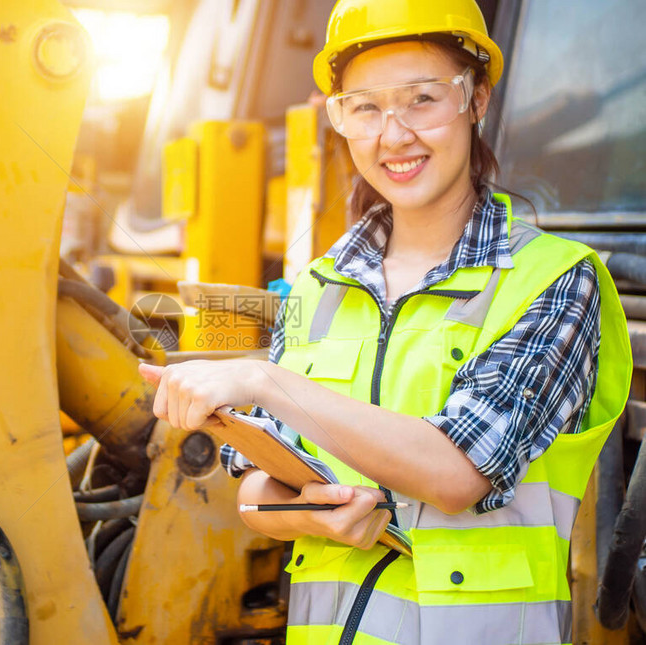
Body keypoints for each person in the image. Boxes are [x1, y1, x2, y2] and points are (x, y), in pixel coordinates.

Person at [139, 0, 632, 643]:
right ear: (339, 119)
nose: (393, 135)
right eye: (365, 107)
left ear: (477, 100)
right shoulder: (320, 287)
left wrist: (262, 382)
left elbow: (458, 473)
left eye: (423, 99)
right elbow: (254, 493)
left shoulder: (556, 281)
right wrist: (308, 517)